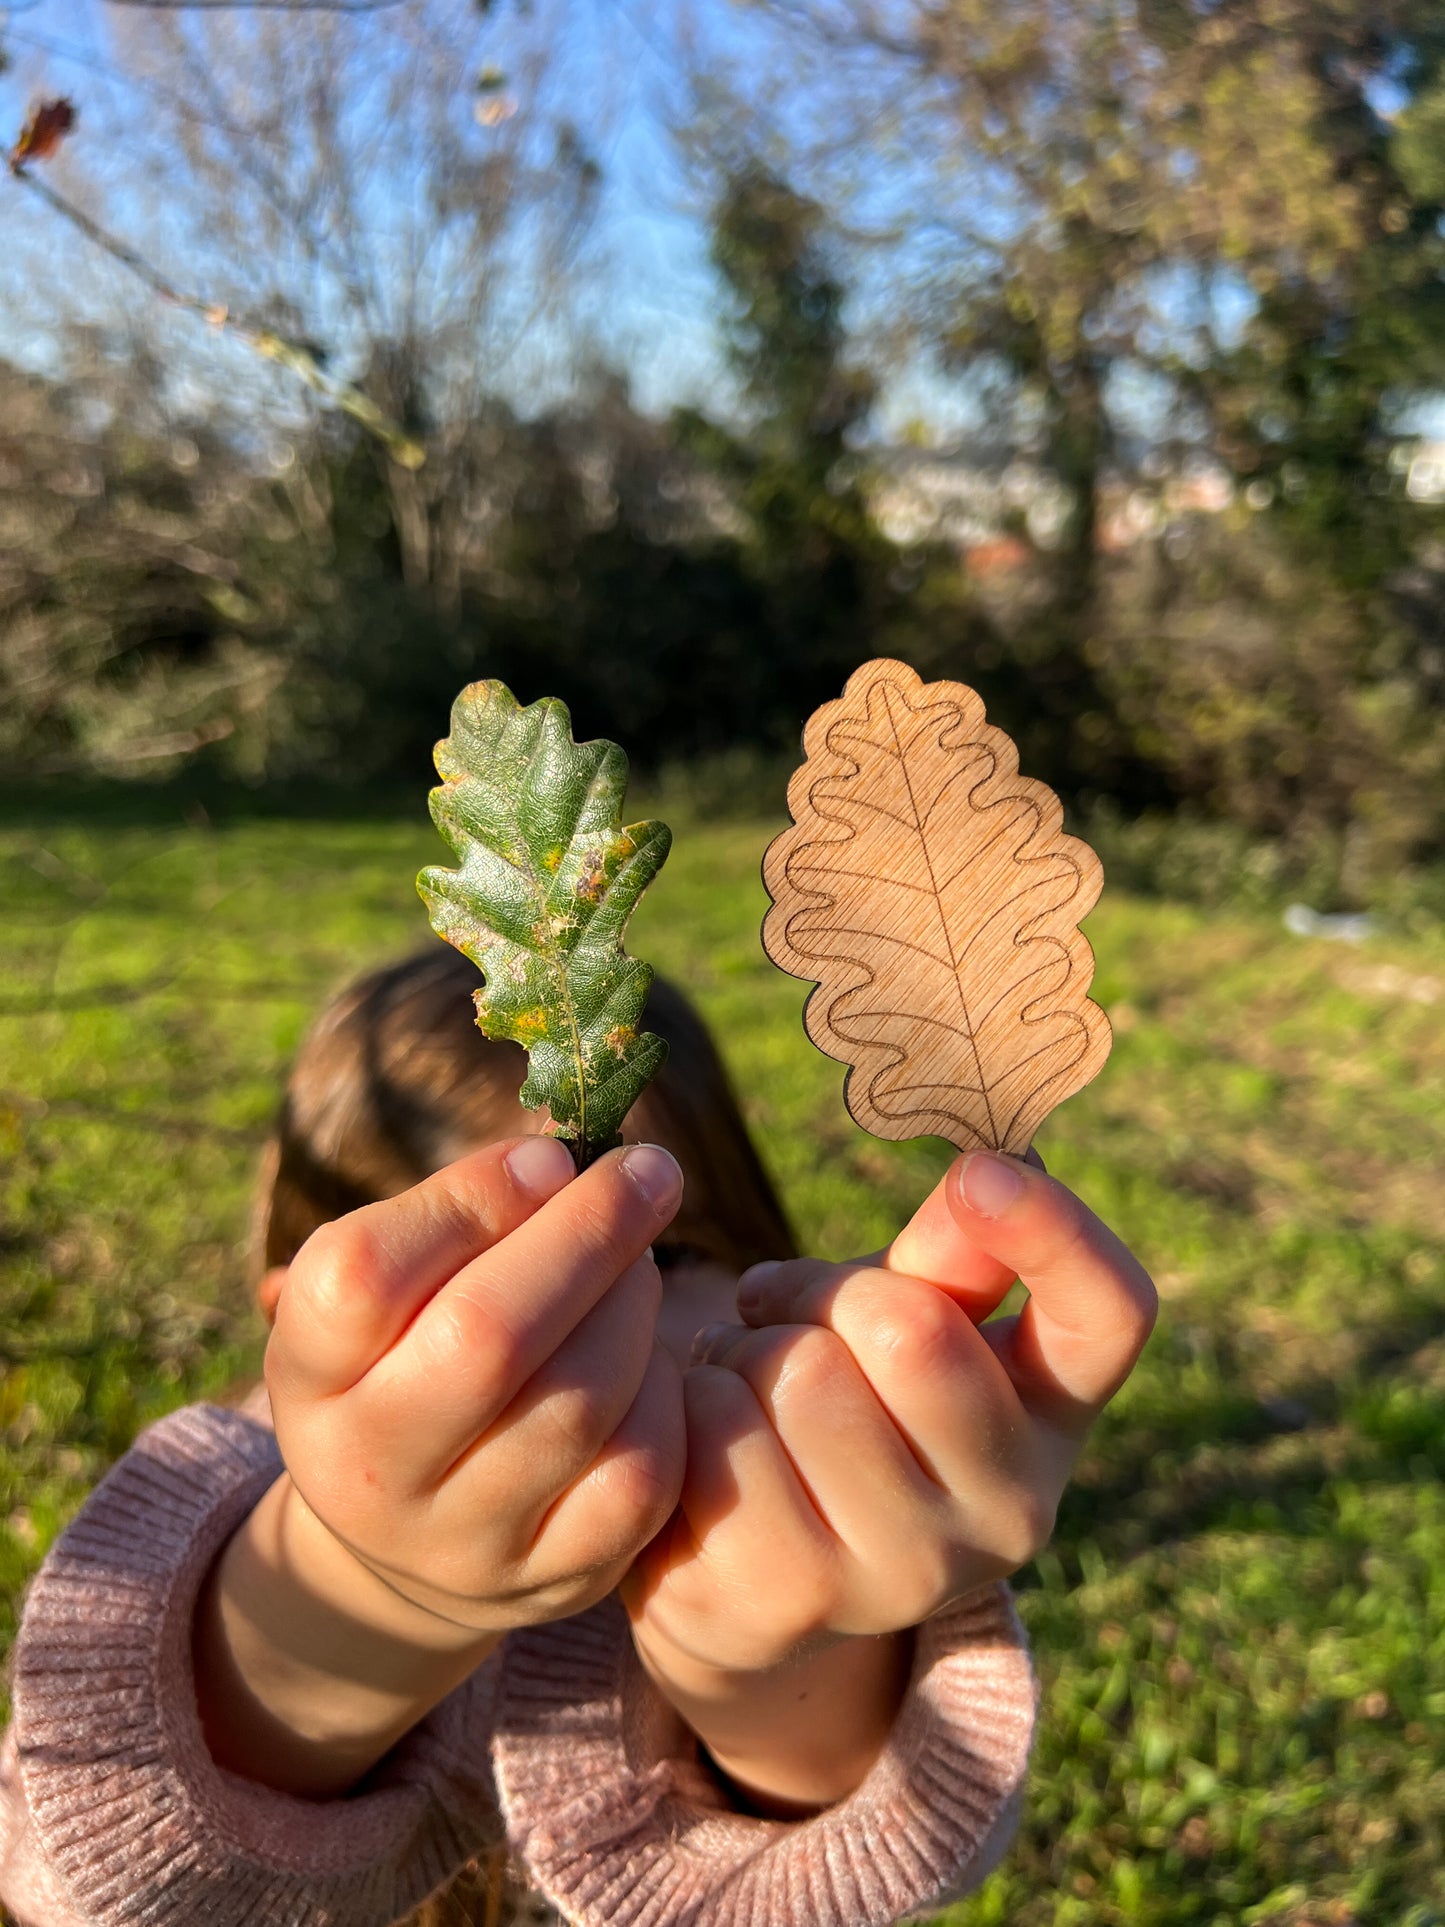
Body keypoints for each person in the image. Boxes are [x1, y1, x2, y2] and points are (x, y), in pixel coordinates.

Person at [0, 944, 1157, 1927]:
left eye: (661, 1248)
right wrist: (369, 1581)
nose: (597, 1322)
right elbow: (57, 1865)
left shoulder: (773, 1463)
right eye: (475, 1294)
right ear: (294, 1323)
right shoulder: (227, 1493)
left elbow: (902, 1843)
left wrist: (780, 1656)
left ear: (758, 1263)